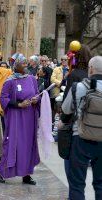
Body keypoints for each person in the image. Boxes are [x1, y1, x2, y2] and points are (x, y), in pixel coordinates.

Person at [61, 56, 102, 200]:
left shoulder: (79, 86)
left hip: (81, 137)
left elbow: (66, 110)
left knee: (77, 183)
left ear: (91, 69)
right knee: (101, 183)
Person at [0, 55, 40, 185]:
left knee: (28, 145)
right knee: (13, 145)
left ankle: (26, 174)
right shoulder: (10, 81)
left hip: (29, 118)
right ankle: (1, 171)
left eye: (26, 63)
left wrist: (36, 99)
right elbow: (3, 98)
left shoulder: (32, 79)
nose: (26, 65)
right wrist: (19, 104)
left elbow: (37, 93)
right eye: (23, 63)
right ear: (16, 66)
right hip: (16, 118)